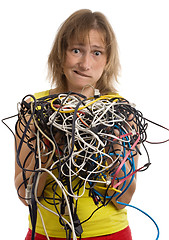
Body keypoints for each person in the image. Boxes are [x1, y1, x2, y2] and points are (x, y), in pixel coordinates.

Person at [15, 9, 139, 240]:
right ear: (60, 53)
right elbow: (25, 195)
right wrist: (52, 146)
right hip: (46, 234)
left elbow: (123, 200)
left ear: (107, 60)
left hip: (110, 234)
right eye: (76, 50)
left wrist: (114, 152)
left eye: (97, 53)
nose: (85, 63)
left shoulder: (120, 111)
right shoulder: (35, 109)